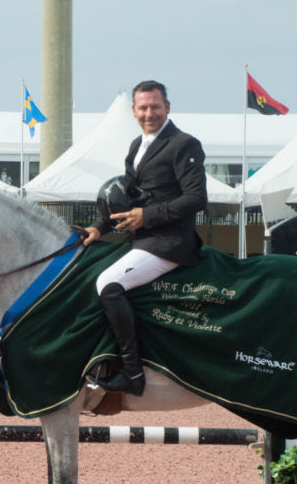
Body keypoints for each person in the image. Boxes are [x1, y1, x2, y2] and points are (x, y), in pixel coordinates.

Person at [81, 80, 207, 395]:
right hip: (140, 241)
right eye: (143, 108)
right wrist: (99, 227)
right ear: (134, 111)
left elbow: (196, 198)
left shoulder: (184, 144)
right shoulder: (137, 147)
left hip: (168, 243)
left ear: (167, 107)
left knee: (108, 285)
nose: (149, 113)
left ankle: (133, 374)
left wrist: (146, 217)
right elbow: (127, 200)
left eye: (155, 107)